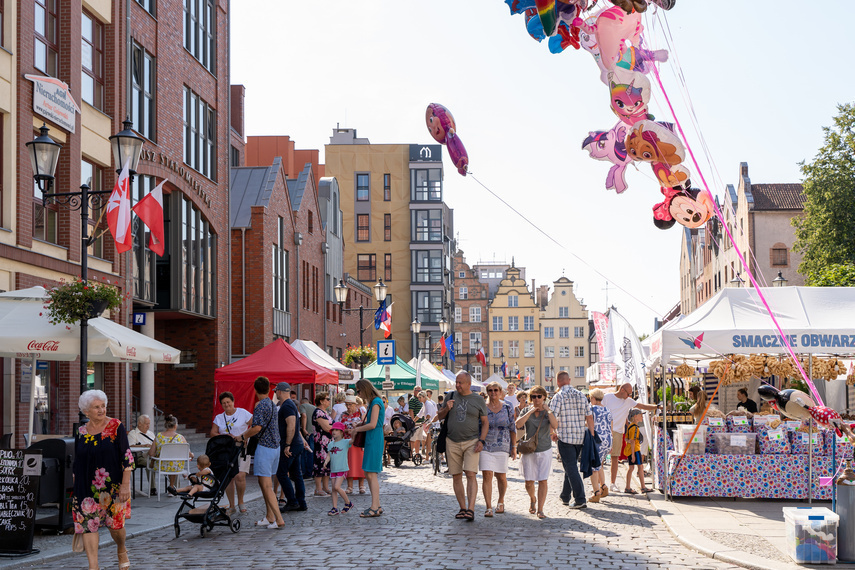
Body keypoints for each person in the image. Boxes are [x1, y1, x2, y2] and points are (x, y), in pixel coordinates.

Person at [72, 390, 133, 570]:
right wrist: (75, 484)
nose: (101, 410)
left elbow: (127, 457)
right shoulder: (81, 431)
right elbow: (78, 460)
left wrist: (125, 485)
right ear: (86, 411)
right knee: (88, 526)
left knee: (115, 527)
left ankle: (121, 548)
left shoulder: (116, 426)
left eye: (103, 406)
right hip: (85, 487)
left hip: (113, 486)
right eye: (96, 407)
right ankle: (94, 567)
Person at [436, 371, 489, 522]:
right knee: (456, 475)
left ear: (469, 384)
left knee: (470, 473)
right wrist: (446, 408)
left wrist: (482, 440)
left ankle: (471, 509)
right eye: (456, 382)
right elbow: (439, 416)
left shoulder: (478, 399)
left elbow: (485, 422)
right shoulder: (450, 396)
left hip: (471, 441)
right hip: (451, 441)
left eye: (460, 383)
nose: (457, 385)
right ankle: (462, 508)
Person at [240, 376, 284, 529]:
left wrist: (242, 436)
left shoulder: (260, 405)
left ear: (255, 389)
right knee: (264, 483)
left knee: (266, 486)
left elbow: (257, 428)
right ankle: (269, 516)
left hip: (265, 448)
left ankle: (278, 519)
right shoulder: (272, 404)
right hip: (275, 448)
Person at [549, 371, 596, 509]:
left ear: (558, 382)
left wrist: (552, 432)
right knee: (570, 466)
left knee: (571, 468)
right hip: (580, 437)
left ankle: (580, 499)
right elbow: (589, 417)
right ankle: (565, 495)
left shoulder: (558, 396)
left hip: (565, 437)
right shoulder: (581, 395)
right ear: (569, 380)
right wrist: (591, 435)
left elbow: (552, 416)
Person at [602, 382, 659, 493]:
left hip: (618, 431)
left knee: (615, 458)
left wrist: (657, 407)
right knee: (601, 458)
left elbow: (642, 406)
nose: (629, 396)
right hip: (605, 431)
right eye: (628, 393)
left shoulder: (628, 401)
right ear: (622, 389)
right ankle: (601, 484)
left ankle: (612, 483)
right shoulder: (608, 397)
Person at [517, 385, 558, 519]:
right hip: (529, 449)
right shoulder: (526, 410)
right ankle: (532, 498)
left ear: (544, 397)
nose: (536, 399)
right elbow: (518, 424)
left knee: (542, 480)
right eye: (533, 396)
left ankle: (540, 509)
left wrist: (549, 411)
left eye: (539, 396)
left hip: (544, 448)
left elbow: (555, 425)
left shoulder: (548, 412)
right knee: (528, 482)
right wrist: (529, 412)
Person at [210, 392, 253, 514]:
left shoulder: (243, 413)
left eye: (228, 402)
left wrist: (245, 436)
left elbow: (254, 425)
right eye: (223, 403)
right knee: (228, 477)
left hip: (242, 448)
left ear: (233, 402)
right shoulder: (219, 417)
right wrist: (225, 435)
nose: (226, 405)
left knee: (240, 476)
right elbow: (213, 433)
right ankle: (232, 505)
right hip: (226, 450)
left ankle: (241, 501)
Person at [350, 379, 385, 517]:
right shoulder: (374, 402)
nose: (358, 394)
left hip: (374, 439)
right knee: (368, 473)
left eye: (358, 391)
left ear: (364, 389)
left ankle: (375, 506)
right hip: (372, 438)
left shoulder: (376, 402)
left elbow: (373, 424)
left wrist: (357, 430)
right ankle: (376, 505)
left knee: (371, 474)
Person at [481, 382, 517, 517]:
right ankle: (488, 506)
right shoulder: (482, 407)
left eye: (495, 390)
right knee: (487, 475)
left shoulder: (507, 406)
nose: (493, 393)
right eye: (490, 390)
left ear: (501, 391)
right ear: (487, 392)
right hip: (486, 444)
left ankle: (501, 501)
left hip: (503, 443)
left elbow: (512, 427)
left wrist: (514, 447)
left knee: (501, 476)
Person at [274, 382, 308, 512]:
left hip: (291, 444)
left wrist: (287, 444)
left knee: (281, 473)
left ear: (280, 391)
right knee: (296, 474)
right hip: (296, 443)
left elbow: (291, 425)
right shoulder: (291, 404)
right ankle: (301, 502)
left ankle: (293, 502)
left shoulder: (287, 405)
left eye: (276, 391)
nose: (275, 393)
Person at [148, 414, 193, 489]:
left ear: (166, 425)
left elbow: (151, 453)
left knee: (169, 461)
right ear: (175, 426)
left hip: (161, 466)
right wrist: (192, 455)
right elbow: (188, 454)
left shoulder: (158, 436)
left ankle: (171, 486)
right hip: (176, 467)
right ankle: (171, 487)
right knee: (173, 462)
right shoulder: (180, 438)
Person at [588, 388, 613, 503]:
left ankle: (596, 492)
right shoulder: (607, 409)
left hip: (597, 440)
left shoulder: (592, 409)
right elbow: (611, 426)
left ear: (593, 398)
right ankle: (604, 487)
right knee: (600, 464)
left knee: (593, 467)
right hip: (607, 439)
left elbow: (589, 423)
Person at [324, 422, 354, 516]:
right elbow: (329, 455)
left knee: (337, 487)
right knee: (333, 489)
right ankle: (335, 508)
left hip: (342, 468)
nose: (334, 432)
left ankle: (348, 503)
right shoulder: (330, 444)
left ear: (341, 432)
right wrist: (325, 462)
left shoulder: (345, 442)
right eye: (333, 430)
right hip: (333, 469)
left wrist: (354, 431)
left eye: (336, 430)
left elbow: (353, 440)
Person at [340, 395, 366, 494]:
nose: (348, 407)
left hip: (358, 441)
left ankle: (361, 485)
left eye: (350, 404)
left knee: (360, 463)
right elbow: (340, 427)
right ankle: (349, 486)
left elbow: (365, 424)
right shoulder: (343, 414)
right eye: (347, 405)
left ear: (355, 404)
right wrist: (346, 430)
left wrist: (356, 429)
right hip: (347, 441)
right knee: (349, 464)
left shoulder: (360, 412)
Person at [622, 409, 651, 493]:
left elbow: (627, 438)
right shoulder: (635, 428)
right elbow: (633, 441)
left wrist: (629, 442)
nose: (642, 417)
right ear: (635, 417)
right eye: (640, 415)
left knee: (632, 468)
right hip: (635, 450)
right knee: (640, 467)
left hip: (632, 450)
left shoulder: (630, 426)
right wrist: (634, 455)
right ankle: (643, 487)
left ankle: (628, 487)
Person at [127, 414, 155, 496]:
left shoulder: (151, 433)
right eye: (146, 423)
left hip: (152, 455)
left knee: (169, 461)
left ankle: (173, 487)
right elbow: (130, 446)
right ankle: (153, 488)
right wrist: (144, 445)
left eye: (149, 423)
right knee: (150, 464)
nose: (148, 426)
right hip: (139, 456)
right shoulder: (133, 433)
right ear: (139, 423)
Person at [312, 392, 333, 496]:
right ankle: (318, 488)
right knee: (320, 464)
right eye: (327, 399)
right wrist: (338, 428)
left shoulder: (325, 412)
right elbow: (326, 427)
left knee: (327, 464)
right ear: (321, 401)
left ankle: (325, 487)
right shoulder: (318, 412)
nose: (329, 401)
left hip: (328, 443)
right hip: (321, 442)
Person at [416, 390, 439, 456]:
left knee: (428, 442)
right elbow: (419, 415)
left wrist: (423, 423)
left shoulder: (428, 404)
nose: (419, 399)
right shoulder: (424, 404)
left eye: (420, 397)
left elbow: (428, 416)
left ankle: (428, 457)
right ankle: (429, 456)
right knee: (427, 442)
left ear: (424, 397)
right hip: (430, 424)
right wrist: (413, 421)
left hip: (433, 424)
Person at [299, 397, 316, 479]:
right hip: (314, 432)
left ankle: (306, 472)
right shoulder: (314, 407)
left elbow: (304, 416)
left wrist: (303, 428)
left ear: (301, 402)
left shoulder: (302, 406)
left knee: (305, 453)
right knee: (312, 453)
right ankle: (312, 471)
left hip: (307, 433)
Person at [407, 386, 424, 457]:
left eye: (420, 390)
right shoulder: (412, 399)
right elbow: (411, 411)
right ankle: (411, 454)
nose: (419, 392)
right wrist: (413, 422)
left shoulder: (420, 400)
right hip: (415, 423)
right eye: (418, 390)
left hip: (420, 423)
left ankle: (417, 454)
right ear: (414, 391)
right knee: (413, 439)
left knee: (418, 439)